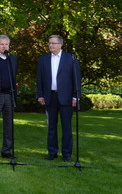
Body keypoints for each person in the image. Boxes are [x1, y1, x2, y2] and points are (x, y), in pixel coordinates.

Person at [36, 34, 81, 162]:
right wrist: (40, 94)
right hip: (50, 97)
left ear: (60, 45)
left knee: (66, 127)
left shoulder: (70, 58)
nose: (50, 45)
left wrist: (75, 97)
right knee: (51, 126)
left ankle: (67, 154)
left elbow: (77, 78)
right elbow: (39, 78)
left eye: (53, 43)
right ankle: (52, 152)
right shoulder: (43, 59)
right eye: (49, 43)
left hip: (66, 98)